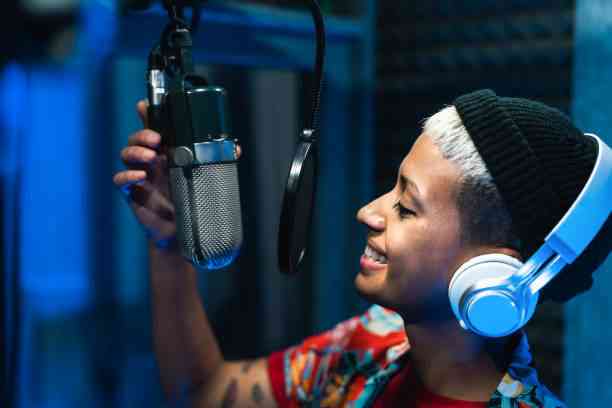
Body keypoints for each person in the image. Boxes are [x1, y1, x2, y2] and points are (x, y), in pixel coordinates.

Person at [113, 89, 610, 407]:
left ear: (493, 275)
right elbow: (207, 392)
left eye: (406, 207)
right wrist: (170, 243)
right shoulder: (370, 343)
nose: (368, 211)